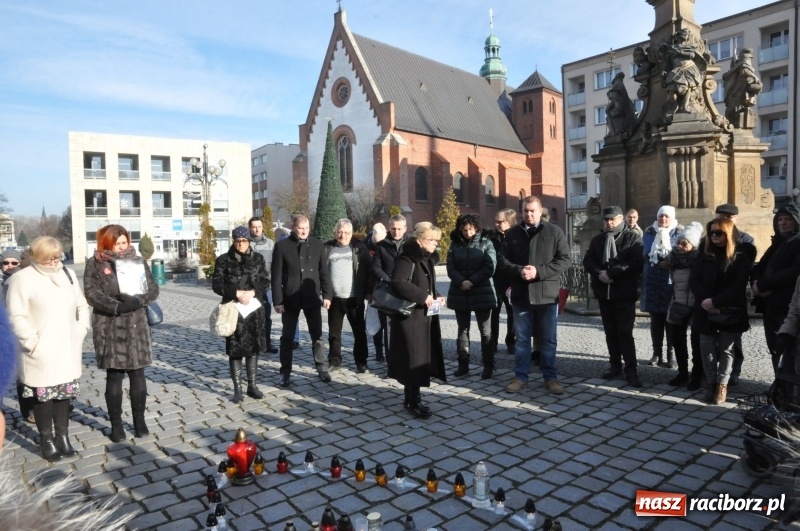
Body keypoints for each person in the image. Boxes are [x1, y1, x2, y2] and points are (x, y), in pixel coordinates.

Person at [7, 236, 91, 461]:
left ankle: (63, 437)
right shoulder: (22, 279)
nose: (55, 263)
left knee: (64, 395)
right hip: (41, 351)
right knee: (43, 397)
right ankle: (46, 440)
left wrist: (81, 328)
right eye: (49, 259)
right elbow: (16, 315)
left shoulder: (68, 274)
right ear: (36, 257)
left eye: (57, 257)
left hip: (67, 347)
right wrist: (33, 343)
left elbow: (82, 304)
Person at [84, 225, 159, 442]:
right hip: (110, 325)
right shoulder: (96, 263)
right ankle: (116, 425)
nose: (121, 247)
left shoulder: (137, 261)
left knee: (138, 373)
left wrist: (138, 300)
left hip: (136, 324)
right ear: (107, 244)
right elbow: (91, 293)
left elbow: (153, 289)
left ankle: (139, 420)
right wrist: (115, 306)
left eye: (124, 242)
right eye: (117, 244)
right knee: (115, 375)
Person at [499, 195, 571, 395]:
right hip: (522, 295)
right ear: (521, 211)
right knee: (522, 340)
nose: (529, 214)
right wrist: (518, 270)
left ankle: (550, 377)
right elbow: (502, 260)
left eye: (532, 210)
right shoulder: (512, 233)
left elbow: (565, 261)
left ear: (541, 211)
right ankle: (520, 376)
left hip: (547, 296)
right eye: (525, 211)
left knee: (548, 339)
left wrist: (539, 272)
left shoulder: (554, 231)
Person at [690, 218, 756, 405]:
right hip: (704, 308)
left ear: (728, 233)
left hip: (729, 308)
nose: (714, 236)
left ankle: (722, 384)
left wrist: (716, 302)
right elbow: (694, 280)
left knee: (727, 350)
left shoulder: (741, 255)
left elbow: (738, 285)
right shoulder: (704, 252)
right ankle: (711, 383)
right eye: (711, 232)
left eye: (718, 232)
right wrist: (706, 301)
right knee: (706, 348)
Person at [387, 222, 446, 418]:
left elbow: (425, 283)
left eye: (437, 241)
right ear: (421, 239)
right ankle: (414, 401)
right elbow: (399, 281)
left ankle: (411, 398)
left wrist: (435, 295)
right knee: (413, 359)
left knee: (417, 358)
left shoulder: (426, 258)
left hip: (421, 317)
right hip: (410, 318)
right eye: (432, 240)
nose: (435, 244)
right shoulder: (408, 256)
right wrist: (422, 297)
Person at [584, 206, 644, 387]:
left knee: (625, 333)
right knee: (610, 332)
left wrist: (612, 273)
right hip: (604, 293)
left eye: (612, 220)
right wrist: (599, 272)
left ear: (621, 219)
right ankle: (615, 366)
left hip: (624, 293)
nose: (609, 223)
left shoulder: (633, 238)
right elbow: (588, 260)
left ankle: (631, 370)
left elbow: (635, 264)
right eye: (606, 220)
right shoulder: (598, 239)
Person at [272, 214, 332, 387]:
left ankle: (321, 367)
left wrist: (327, 295)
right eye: (300, 228)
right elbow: (276, 277)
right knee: (287, 337)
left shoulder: (317, 245)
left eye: (306, 228)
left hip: (312, 297)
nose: (304, 231)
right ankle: (285, 372)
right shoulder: (282, 246)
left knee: (317, 335)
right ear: (293, 227)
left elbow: (324, 273)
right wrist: (278, 300)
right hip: (290, 298)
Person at [213, 226, 270, 403]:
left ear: (248, 241)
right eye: (237, 241)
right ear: (233, 241)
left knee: (253, 348)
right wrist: (235, 293)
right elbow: (216, 284)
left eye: (244, 241)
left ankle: (252, 385)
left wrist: (253, 292)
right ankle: (237, 388)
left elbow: (265, 281)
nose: (241, 244)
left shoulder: (258, 259)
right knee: (235, 350)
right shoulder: (223, 260)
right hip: (233, 311)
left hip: (253, 310)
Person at [750, 204, 800, 377]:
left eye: (788, 219)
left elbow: (794, 271)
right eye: (780, 219)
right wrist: (755, 283)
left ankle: (789, 393)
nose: (783, 223)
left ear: (796, 222)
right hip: (769, 306)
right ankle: (778, 387)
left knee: (789, 352)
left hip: (786, 306)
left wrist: (764, 285)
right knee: (774, 349)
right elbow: (759, 267)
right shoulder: (777, 242)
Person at [446, 214, 497, 379]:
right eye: (464, 229)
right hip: (460, 292)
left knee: (485, 331)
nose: (467, 232)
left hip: (482, 291)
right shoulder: (455, 245)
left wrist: (472, 281)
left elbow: (490, 266)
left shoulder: (486, 242)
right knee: (463, 330)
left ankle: (488, 366)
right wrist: (461, 281)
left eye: (470, 229)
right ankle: (463, 364)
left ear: (476, 228)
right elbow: (451, 267)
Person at [324, 219, 372, 373]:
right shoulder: (327, 248)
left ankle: (361, 361)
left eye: (345, 232)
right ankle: (334, 360)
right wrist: (325, 294)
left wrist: (368, 292)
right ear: (335, 232)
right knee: (334, 333)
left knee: (359, 332)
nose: (342, 235)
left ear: (351, 233)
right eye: (339, 231)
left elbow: (369, 271)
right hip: (335, 298)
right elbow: (322, 273)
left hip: (354, 298)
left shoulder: (359, 248)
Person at [715, 203, 755, 385]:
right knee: (713, 337)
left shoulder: (746, 240)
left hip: (733, 297)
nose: (724, 221)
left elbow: (744, 272)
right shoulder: (712, 237)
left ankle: (734, 371)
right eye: (721, 217)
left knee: (733, 337)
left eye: (728, 218)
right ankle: (717, 371)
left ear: (736, 219)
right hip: (713, 296)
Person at [641, 206, 683, 368]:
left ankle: (670, 355)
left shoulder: (680, 232)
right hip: (652, 281)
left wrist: (672, 261)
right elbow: (644, 253)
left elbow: (687, 254)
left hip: (671, 283)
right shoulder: (650, 232)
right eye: (660, 216)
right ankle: (656, 353)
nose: (663, 219)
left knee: (670, 320)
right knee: (656, 320)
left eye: (666, 216)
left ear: (671, 217)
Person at [666, 222, 703, 386]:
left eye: (684, 243)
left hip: (696, 306)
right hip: (679, 304)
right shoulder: (673, 260)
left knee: (697, 343)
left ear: (693, 245)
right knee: (678, 341)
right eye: (679, 242)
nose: (680, 246)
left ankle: (697, 374)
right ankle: (682, 372)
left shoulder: (700, 261)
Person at [1, 249, 33, 424]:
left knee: (24, 374)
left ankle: (28, 408)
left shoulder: (24, 280)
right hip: (3, 334)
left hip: (20, 331)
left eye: (14, 262)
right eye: (6, 263)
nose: (10, 266)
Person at [371, 214, 409, 362]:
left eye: (399, 229)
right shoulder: (381, 246)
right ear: (389, 228)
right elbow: (375, 267)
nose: (396, 232)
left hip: (406, 291)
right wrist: (389, 280)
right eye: (393, 228)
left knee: (405, 328)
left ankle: (405, 360)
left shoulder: (411, 245)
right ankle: (391, 363)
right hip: (387, 292)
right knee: (388, 329)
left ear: (405, 229)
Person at [248, 216, 279, 354]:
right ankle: (252, 343)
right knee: (250, 316)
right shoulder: (245, 243)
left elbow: (275, 264)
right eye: (254, 227)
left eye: (259, 226)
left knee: (266, 316)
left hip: (266, 287)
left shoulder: (270, 243)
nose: (257, 229)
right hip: (249, 288)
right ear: (250, 228)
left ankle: (266, 343)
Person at [490, 208, 517, 355]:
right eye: (496, 221)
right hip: (495, 280)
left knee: (512, 312)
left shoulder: (515, 237)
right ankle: (492, 342)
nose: (497, 224)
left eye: (501, 221)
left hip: (511, 280)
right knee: (494, 312)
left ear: (510, 222)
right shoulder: (491, 237)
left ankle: (511, 341)